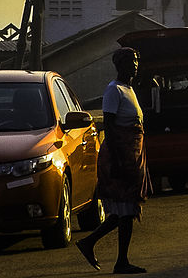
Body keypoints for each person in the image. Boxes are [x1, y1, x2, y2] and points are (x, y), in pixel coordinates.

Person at [76, 47, 151, 274]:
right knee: (125, 210)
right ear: (120, 65)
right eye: (130, 61)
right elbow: (109, 126)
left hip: (131, 155)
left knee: (125, 211)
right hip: (120, 156)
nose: (135, 65)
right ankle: (120, 261)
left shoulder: (129, 89)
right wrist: (118, 162)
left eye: (137, 60)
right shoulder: (114, 90)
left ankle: (91, 244)